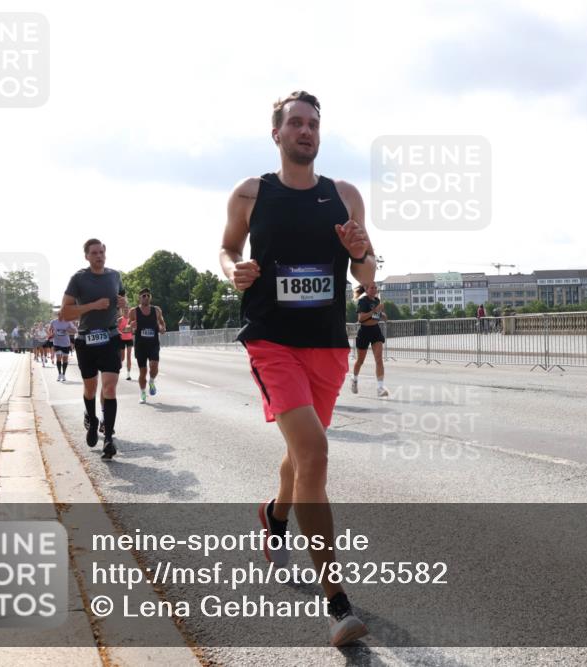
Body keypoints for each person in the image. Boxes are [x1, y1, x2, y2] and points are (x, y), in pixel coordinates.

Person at [219, 90, 376, 647]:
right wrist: (233, 267)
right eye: (296, 123)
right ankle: (336, 602)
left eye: (313, 124)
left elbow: (366, 269)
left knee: (297, 454)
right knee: (314, 453)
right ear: (277, 133)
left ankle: (274, 513)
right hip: (271, 340)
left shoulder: (345, 196)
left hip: (328, 344)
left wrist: (362, 253)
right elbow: (226, 249)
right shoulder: (250, 193)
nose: (306, 131)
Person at [59, 239, 127, 460]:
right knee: (90, 388)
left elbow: (123, 301)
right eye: (94, 253)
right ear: (87, 256)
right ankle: (91, 418)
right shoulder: (78, 279)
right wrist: (93, 306)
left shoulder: (115, 276)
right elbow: (65, 313)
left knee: (109, 388)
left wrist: (123, 303)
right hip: (86, 340)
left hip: (110, 337)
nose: (99, 256)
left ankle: (108, 438)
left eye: (102, 252)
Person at [126, 289, 166, 404]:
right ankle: (143, 393)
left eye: (148, 295)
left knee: (154, 366)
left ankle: (152, 381)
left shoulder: (156, 310)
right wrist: (131, 326)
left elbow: (162, 323)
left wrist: (163, 328)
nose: (146, 297)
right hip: (140, 345)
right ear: (139, 297)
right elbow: (127, 327)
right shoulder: (134, 311)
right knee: (143, 372)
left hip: (153, 344)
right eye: (144, 295)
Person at [350, 283, 389, 397]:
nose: (374, 289)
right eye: (372, 287)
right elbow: (361, 318)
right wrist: (375, 310)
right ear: (366, 289)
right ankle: (354, 379)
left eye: (375, 287)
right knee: (360, 361)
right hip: (364, 331)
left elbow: (380, 316)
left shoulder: (377, 300)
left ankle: (380, 388)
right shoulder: (363, 301)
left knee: (379, 360)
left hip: (375, 331)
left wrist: (383, 315)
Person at [48, 312, 78, 382]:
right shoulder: (53, 322)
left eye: (61, 315)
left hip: (65, 343)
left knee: (65, 359)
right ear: (57, 315)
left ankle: (64, 374)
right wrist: (51, 334)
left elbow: (75, 331)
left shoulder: (68, 322)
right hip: (57, 342)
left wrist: (68, 330)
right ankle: (59, 374)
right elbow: (49, 329)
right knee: (58, 358)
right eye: (58, 315)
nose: (60, 317)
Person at [118, 311, 135, 380]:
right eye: (125, 310)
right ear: (122, 311)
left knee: (129, 356)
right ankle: (118, 368)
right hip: (122, 339)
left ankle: (128, 374)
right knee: (122, 357)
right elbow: (116, 329)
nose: (126, 312)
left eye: (127, 310)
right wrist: (121, 331)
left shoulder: (131, 320)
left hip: (129, 339)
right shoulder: (120, 320)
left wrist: (131, 330)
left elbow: (134, 330)